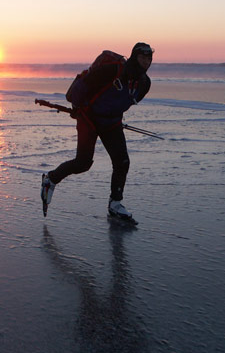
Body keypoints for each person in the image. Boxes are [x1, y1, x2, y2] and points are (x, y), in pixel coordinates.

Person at [41, 42, 154, 223]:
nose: (146, 62)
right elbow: (81, 89)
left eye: (149, 59)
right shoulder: (112, 70)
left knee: (122, 161)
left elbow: (125, 101)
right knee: (83, 162)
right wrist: (77, 108)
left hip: (112, 123)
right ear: (134, 57)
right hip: (89, 120)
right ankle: (50, 180)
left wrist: (111, 115)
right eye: (142, 58)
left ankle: (115, 204)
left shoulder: (144, 84)